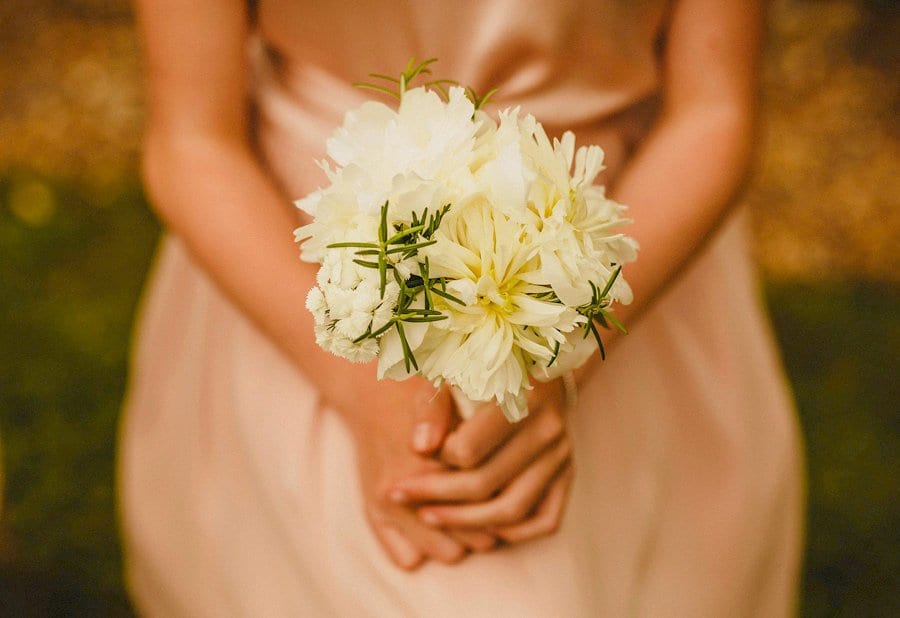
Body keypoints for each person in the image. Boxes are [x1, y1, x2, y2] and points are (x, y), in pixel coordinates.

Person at [119, 1, 804, 615]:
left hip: (619, 240)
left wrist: (556, 354)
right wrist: (369, 392)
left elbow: (714, 111)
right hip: (312, 255)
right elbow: (194, 140)